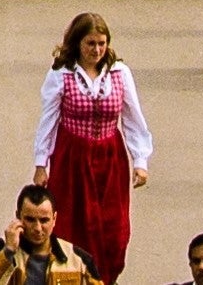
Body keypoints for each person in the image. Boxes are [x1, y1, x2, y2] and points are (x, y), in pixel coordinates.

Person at [32, 14, 151, 285]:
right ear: (77, 43)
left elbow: (133, 118)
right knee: (74, 225)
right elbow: (48, 119)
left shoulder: (120, 73)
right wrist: (41, 163)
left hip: (110, 157)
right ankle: (72, 278)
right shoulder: (61, 74)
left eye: (101, 43)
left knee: (114, 228)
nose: (96, 50)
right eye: (90, 44)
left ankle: (106, 278)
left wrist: (140, 160)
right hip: (72, 156)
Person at [0, 183, 97, 285]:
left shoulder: (77, 258)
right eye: (30, 219)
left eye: (44, 220)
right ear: (18, 216)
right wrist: (8, 252)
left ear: (54, 219)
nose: (38, 228)